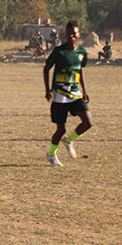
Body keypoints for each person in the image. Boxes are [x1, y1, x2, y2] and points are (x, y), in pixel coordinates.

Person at [43, 20, 93, 167]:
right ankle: (51, 154)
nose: (71, 36)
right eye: (69, 33)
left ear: (79, 35)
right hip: (59, 94)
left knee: (88, 122)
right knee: (60, 129)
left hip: (75, 94)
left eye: (74, 34)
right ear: (65, 35)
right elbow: (46, 69)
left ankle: (69, 140)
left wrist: (84, 91)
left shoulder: (82, 52)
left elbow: (79, 70)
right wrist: (48, 90)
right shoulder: (59, 51)